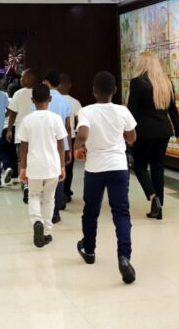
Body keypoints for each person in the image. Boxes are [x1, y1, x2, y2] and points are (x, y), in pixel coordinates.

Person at [73, 71, 137, 284]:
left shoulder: (86, 111)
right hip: (118, 166)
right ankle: (124, 257)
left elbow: (83, 133)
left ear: (93, 91)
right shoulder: (122, 110)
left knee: (91, 211)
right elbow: (132, 137)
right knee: (121, 213)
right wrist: (123, 137)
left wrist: (78, 146)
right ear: (115, 91)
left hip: (95, 169)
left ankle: (89, 249)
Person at [127, 51, 179, 220]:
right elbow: (173, 110)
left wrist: (128, 134)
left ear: (141, 64)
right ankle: (158, 208)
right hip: (164, 131)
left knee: (139, 166)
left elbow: (131, 112)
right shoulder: (166, 83)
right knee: (158, 166)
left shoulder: (137, 83)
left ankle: (153, 197)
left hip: (143, 132)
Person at [17, 83, 67, 248]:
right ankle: (46, 231)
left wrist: (23, 167)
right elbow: (61, 144)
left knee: (34, 196)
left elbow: (23, 146)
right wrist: (62, 166)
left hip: (34, 166)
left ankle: (36, 221)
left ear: (32, 100)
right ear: (50, 99)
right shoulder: (55, 118)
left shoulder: (27, 120)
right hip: (52, 166)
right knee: (49, 199)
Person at [42, 71, 72, 224]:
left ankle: (46, 210)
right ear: (59, 84)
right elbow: (68, 127)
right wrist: (69, 148)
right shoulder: (65, 101)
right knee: (59, 176)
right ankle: (56, 212)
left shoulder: (41, 99)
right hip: (61, 144)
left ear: (46, 82)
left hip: (44, 143)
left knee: (45, 177)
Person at [6, 68, 39, 203]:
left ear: (29, 78)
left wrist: (9, 130)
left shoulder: (18, 94)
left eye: (23, 77)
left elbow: (12, 113)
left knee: (22, 160)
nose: (20, 79)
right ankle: (34, 185)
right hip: (37, 133)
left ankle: (25, 184)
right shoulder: (40, 92)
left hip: (21, 133)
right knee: (35, 159)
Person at [59, 73, 83, 202]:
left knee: (56, 164)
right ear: (70, 85)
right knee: (68, 166)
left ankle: (58, 192)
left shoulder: (51, 100)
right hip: (70, 138)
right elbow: (80, 121)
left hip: (55, 138)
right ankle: (66, 192)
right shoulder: (75, 102)